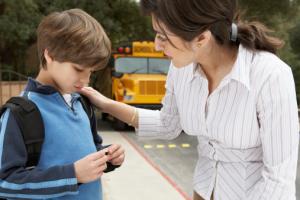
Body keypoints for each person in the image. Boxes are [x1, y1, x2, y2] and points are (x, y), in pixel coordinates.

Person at [79, 0, 299, 199]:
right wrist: (106, 103)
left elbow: (279, 180)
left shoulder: (270, 75)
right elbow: (168, 124)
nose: (157, 45)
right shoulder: (180, 68)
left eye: (163, 37)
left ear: (202, 38)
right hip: (202, 192)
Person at [0, 9, 125, 200]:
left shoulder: (82, 103)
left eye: (90, 71)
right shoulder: (21, 114)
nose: (85, 80)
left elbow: (90, 151)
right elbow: (5, 183)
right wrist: (72, 175)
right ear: (49, 56)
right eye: (78, 69)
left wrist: (107, 156)